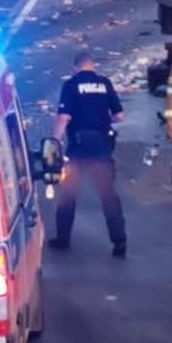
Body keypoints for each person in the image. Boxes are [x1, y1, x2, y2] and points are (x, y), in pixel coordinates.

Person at [50, 51, 127, 256]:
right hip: (102, 146)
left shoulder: (71, 85)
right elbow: (119, 116)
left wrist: (54, 142)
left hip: (78, 148)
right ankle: (120, 242)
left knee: (69, 194)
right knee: (108, 196)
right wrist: (101, 120)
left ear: (75, 67)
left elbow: (64, 117)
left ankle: (62, 239)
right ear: (93, 66)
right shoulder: (105, 83)